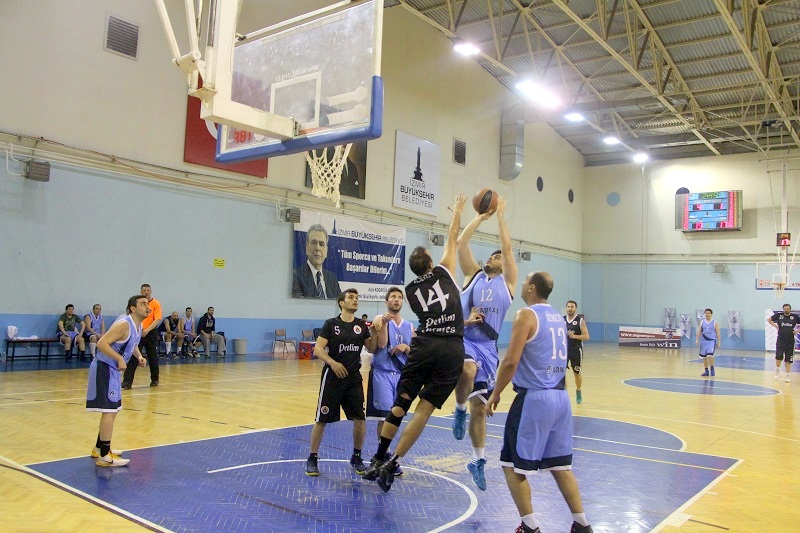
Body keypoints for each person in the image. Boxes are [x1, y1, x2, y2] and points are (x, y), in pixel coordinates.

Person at [362, 193, 467, 492]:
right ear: (432, 263)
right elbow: (453, 238)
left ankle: (378, 457)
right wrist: (457, 211)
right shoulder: (443, 272)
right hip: (451, 347)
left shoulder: (409, 292)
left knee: (401, 403)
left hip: (425, 346)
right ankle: (393, 462)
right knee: (425, 409)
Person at [487, 272, 593, 533]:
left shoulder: (526, 315)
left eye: (525, 281)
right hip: (561, 398)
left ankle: (529, 526)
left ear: (532, 287)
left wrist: (496, 392)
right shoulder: (558, 317)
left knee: (511, 465)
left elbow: (510, 361)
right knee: (561, 466)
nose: (522, 284)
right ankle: (582, 524)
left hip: (535, 398)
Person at [451, 195, 518, 491]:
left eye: (499, 257)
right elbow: (461, 243)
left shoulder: (508, 284)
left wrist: (501, 216)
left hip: (489, 347)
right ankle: (459, 408)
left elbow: (508, 248)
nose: (496, 257)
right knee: (467, 370)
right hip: (466, 340)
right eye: (493, 256)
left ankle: (477, 461)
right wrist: (480, 217)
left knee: (480, 409)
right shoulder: (473, 275)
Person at [305, 288, 378, 476]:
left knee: (360, 419)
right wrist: (332, 363)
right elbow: (318, 350)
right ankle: (312, 457)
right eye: (351, 297)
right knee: (322, 419)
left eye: (357, 298)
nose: (355, 300)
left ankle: (357, 456)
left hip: (353, 378)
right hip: (332, 378)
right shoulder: (331, 324)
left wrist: (376, 332)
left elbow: (371, 348)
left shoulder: (361, 325)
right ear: (341, 303)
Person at [86, 294, 149, 467]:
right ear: (133, 308)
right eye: (143, 304)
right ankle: (105, 456)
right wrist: (120, 359)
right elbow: (102, 343)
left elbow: (132, 344)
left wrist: (139, 356)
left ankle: (99, 448)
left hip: (112, 370)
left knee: (113, 410)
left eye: (148, 303)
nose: (148, 306)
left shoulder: (138, 325)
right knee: (110, 410)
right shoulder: (124, 324)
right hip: (104, 368)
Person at [366, 286, 415, 477]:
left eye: (399, 297)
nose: (396, 299)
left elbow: (416, 352)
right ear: (386, 301)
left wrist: (405, 347)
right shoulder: (380, 319)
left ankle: (387, 456)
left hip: (401, 375)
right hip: (383, 372)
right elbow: (380, 345)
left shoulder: (409, 326)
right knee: (385, 415)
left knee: (396, 416)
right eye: (393, 297)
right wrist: (384, 324)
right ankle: (384, 455)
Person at [122, 284, 162, 388]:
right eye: (144, 290)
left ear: (151, 291)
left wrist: (147, 330)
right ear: (141, 292)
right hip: (137, 331)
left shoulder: (155, 303)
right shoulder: (137, 303)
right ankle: (127, 382)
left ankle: (155, 379)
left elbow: (157, 319)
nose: (146, 292)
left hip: (150, 332)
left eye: (148, 290)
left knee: (152, 356)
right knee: (134, 356)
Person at [292, 224, 340, 299]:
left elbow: (340, 303)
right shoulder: (296, 276)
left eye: (321, 244)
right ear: (307, 247)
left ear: (326, 251)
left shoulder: (332, 279)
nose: (318, 248)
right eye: (314, 243)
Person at [565, 300, 590, 402]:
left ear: (575, 308)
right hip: (564, 351)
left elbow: (586, 336)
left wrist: (574, 336)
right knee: (561, 373)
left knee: (576, 373)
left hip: (576, 350)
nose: (570, 308)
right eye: (568, 306)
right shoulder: (562, 320)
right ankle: (564, 394)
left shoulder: (580, 321)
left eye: (572, 307)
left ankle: (578, 391)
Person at [767, 303, 799, 383]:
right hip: (781, 340)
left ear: (790, 309)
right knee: (778, 356)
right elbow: (769, 319)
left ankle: (788, 375)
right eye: (785, 309)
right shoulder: (779, 315)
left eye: (787, 309)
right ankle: (777, 369)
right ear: (783, 309)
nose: (786, 310)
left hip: (790, 341)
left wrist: (797, 331)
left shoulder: (794, 317)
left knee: (788, 359)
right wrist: (775, 326)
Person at [696, 308, 720, 377]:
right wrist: (697, 339)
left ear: (711, 314)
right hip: (704, 341)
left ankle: (712, 368)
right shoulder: (702, 322)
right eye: (706, 313)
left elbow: (718, 333)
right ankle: (706, 371)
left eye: (709, 313)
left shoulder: (714, 322)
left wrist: (719, 342)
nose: (707, 314)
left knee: (710, 355)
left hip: (711, 341)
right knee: (704, 357)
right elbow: (699, 331)